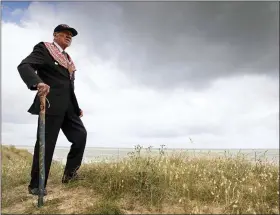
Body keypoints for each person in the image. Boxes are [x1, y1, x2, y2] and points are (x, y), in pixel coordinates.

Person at [17, 24, 87, 196]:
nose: (69, 36)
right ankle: (36, 185)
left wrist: (76, 108)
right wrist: (37, 82)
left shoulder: (69, 60)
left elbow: (69, 87)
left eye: (71, 35)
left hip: (69, 107)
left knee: (80, 136)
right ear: (55, 35)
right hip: (50, 103)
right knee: (46, 144)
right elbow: (24, 66)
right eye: (65, 33)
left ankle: (70, 175)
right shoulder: (44, 49)